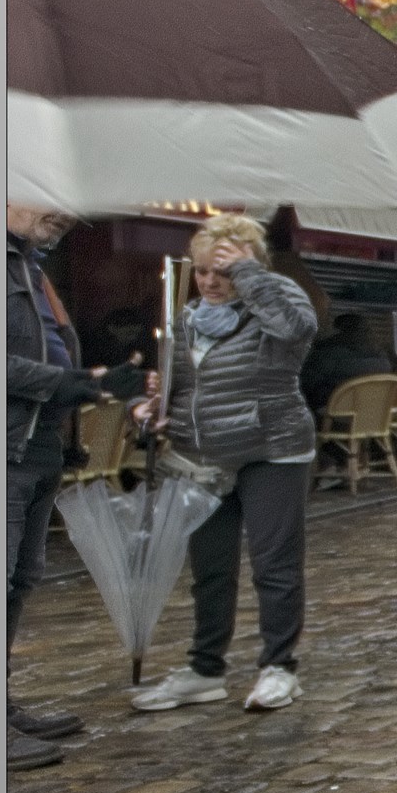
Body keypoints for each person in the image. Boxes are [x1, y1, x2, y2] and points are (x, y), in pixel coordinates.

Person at [134, 212, 318, 714]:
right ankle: (204, 669)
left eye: (224, 271)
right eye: (203, 271)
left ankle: (279, 668)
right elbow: (182, 390)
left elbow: (298, 327)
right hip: (203, 456)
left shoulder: (278, 299)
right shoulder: (187, 320)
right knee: (210, 568)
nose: (211, 282)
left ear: (252, 268)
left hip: (272, 449)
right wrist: (157, 406)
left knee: (274, 564)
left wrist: (251, 275)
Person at [7, 202, 108, 766]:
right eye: (45, 194)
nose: (63, 211)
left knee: (20, 578)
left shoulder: (28, 265)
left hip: (36, 440)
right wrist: (73, 381)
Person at [299, 309, 391, 415]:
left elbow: (307, 382)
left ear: (338, 331)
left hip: (331, 411)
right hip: (368, 414)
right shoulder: (382, 359)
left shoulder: (330, 354)